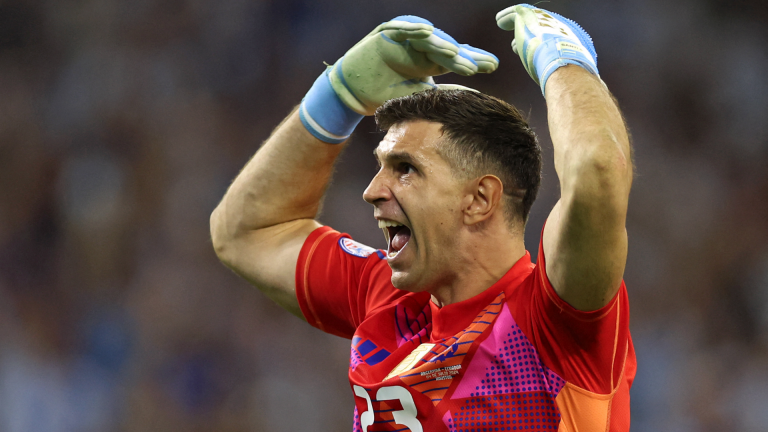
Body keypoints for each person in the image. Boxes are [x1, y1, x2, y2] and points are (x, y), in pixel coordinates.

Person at [211, 4, 635, 431]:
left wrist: (566, 62)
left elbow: (598, 173)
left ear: (480, 199)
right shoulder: (387, 298)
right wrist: (337, 96)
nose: (372, 190)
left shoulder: (554, 322)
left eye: (405, 169)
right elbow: (244, 232)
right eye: (381, 166)